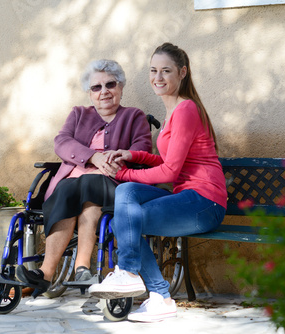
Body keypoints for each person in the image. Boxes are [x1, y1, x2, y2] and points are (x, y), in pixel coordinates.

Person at [88, 43, 227, 322]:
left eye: (166, 71)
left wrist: (123, 172)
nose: (158, 77)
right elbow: (167, 160)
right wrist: (131, 155)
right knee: (125, 202)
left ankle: (136, 278)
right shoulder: (173, 111)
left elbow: (170, 172)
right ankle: (153, 291)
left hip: (204, 202)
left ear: (182, 72)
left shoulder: (186, 109)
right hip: (186, 197)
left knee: (125, 216)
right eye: (153, 71)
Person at [16, 59, 152, 294]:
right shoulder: (78, 114)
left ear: (120, 87)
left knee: (88, 184)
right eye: (96, 87)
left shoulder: (134, 116)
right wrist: (93, 158)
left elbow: (143, 146)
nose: (104, 92)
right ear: (89, 94)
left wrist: (118, 158)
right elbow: (62, 142)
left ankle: (81, 266)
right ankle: (47, 273)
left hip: (113, 183)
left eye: (110, 84)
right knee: (71, 189)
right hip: (76, 185)